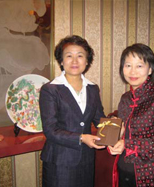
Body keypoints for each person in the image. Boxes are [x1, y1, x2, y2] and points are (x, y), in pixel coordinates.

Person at [108, 43, 154, 187]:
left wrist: (126, 144)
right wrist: (117, 133)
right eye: (128, 65)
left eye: (139, 66)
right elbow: (129, 133)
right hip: (124, 170)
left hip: (153, 174)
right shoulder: (125, 98)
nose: (132, 71)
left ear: (150, 69)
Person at [39, 35, 106, 187]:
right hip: (60, 160)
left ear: (87, 61)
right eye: (69, 56)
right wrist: (81, 138)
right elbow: (50, 130)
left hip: (86, 159)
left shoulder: (93, 88)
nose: (74, 61)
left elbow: (99, 119)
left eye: (80, 56)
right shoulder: (50, 89)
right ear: (61, 61)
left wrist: (115, 129)